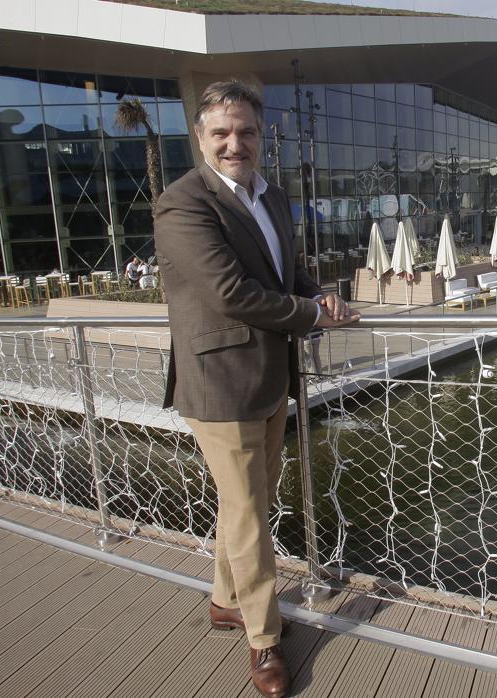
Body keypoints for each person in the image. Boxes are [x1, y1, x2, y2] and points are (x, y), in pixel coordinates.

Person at [153, 80, 357, 698]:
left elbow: (284, 271)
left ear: (260, 135)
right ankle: (264, 641)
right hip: (221, 382)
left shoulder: (271, 196)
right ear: (200, 137)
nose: (234, 142)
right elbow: (229, 294)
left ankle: (223, 600)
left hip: (271, 376)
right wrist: (313, 315)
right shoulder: (183, 203)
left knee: (247, 504)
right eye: (220, 132)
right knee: (248, 514)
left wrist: (317, 291)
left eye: (245, 131)